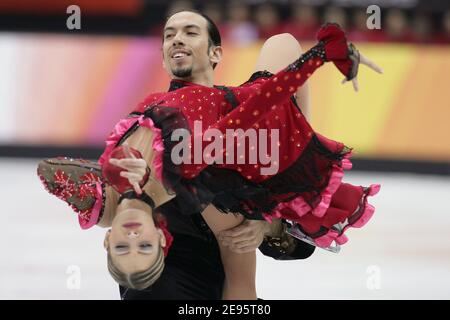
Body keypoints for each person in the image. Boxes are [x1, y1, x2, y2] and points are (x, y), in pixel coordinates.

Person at [38, 10, 382, 298]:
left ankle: (285, 192)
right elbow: (241, 272)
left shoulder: (147, 153)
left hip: (225, 173)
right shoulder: (188, 167)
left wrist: (322, 55)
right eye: (170, 34)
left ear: (216, 53)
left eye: (189, 32)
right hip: (203, 248)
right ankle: (285, 196)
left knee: (280, 50)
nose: (176, 38)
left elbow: (264, 95)